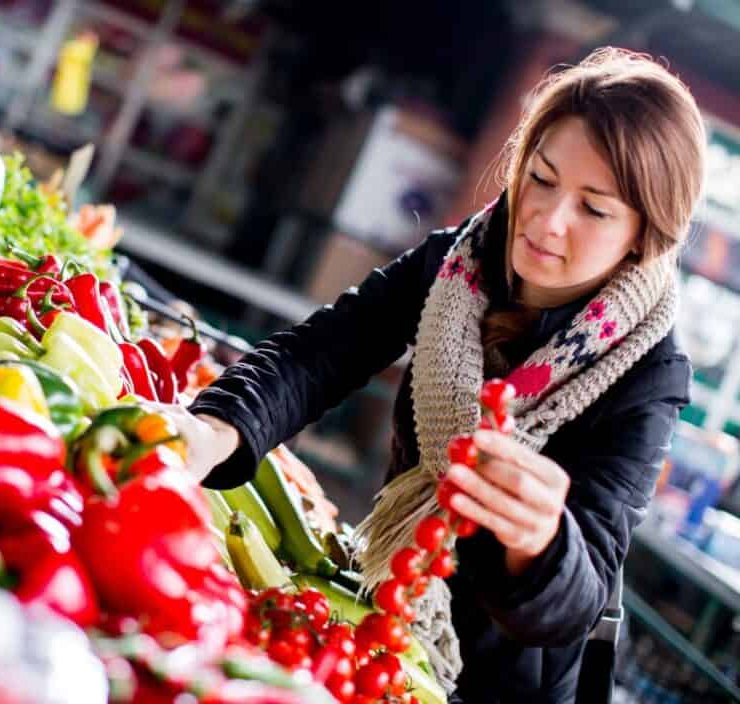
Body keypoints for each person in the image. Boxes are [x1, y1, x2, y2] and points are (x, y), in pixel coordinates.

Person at [158, 47, 706, 703]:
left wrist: (542, 541)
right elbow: (320, 355)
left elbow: (577, 601)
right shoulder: (457, 265)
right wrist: (211, 433)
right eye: (541, 176)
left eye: (593, 209)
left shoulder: (650, 372)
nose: (546, 219)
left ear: (645, 236)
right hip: (385, 628)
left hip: (505, 686)